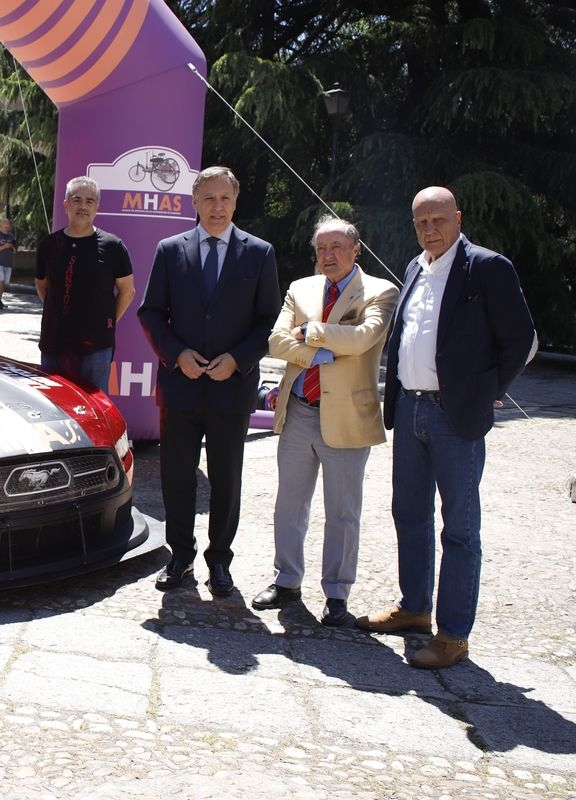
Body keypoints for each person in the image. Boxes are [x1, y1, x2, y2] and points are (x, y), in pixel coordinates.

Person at [357, 186, 535, 668]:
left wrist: (489, 387)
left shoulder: (486, 266)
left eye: (438, 220)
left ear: (457, 218)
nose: (430, 229)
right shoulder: (417, 266)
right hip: (411, 409)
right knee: (408, 514)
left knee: (459, 527)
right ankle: (415, 609)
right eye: (421, 222)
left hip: (454, 416)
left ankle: (453, 634)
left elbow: (521, 337)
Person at [138, 165, 281, 596]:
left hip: (231, 388)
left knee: (226, 478)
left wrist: (237, 360)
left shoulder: (259, 253)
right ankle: (180, 555)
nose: (217, 207)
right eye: (208, 198)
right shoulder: (169, 249)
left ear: (235, 202)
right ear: (194, 202)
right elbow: (150, 313)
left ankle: (220, 560)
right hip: (180, 386)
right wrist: (176, 354)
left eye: (225, 199)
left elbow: (268, 320)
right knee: (177, 476)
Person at [250, 216, 397, 625]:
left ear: (356, 249)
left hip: (348, 417)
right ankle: (287, 581)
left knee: (343, 512)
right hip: (298, 411)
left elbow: (364, 338)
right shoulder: (301, 288)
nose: (327, 256)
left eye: (336, 247)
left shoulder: (381, 291)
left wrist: (311, 332)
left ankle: (336, 594)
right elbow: (277, 341)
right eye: (321, 248)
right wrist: (318, 353)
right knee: (289, 504)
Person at [34, 176, 136, 392]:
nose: (83, 206)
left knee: (95, 409)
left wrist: (107, 320)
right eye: (76, 199)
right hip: (54, 344)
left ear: (97, 207)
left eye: (90, 201)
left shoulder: (113, 246)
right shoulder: (49, 245)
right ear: (66, 204)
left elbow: (128, 291)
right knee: (54, 404)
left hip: (96, 348)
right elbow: (42, 285)